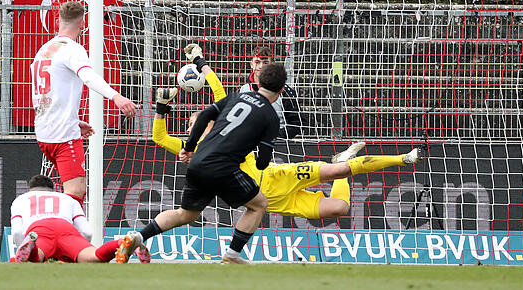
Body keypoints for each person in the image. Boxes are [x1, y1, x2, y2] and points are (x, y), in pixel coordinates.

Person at [152, 44, 421, 222]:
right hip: (278, 202)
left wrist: (201, 63)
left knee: (338, 173)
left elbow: (220, 92)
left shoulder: (228, 142)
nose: (191, 128)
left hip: (280, 177)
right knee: (339, 208)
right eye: (189, 125)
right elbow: (160, 139)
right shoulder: (197, 151)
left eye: (195, 123)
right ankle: (339, 159)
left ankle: (402, 158)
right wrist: (161, 109)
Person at [132, 62, 287, 265]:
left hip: (198, 162)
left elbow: (205, 115)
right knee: (259, 205)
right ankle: (232, 255)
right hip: (224, 167)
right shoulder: (270, 117)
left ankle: (138, 237)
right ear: (281, 89)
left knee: (185, 214)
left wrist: (189, 147)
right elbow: (262, 163)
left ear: (258, 81)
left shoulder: (235, 97)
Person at [30, 1, 137, 207]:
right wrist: (116, 96)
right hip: (63, 136)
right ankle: (54, 233)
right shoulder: (73, 49)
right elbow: (88, 76)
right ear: (82, 24)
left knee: (71, 190)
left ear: (57, 22)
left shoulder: (43, 50)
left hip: (44, 131)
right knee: (76, 192)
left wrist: (73, 119)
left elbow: (44, 93)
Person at [11, 175, 150, 263]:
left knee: (36, 259)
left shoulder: (21, 199)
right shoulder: (66, 198)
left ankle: (32, 249)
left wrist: (20, 250)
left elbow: (17, 232)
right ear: (53, 190)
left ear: (30, 189)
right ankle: (124, 242)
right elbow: (87, 231)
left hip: (39, 231)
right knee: (94, 257)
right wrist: (76, 253)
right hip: (66, 229)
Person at [239, 46, 302, 138]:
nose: (261, 66)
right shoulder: (244, 89)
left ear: (271, 64)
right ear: (251, 64)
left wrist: (274, 135)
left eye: (265, 62)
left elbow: (297, 123)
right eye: (257, 62)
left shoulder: (284, 91)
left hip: (278, 145)